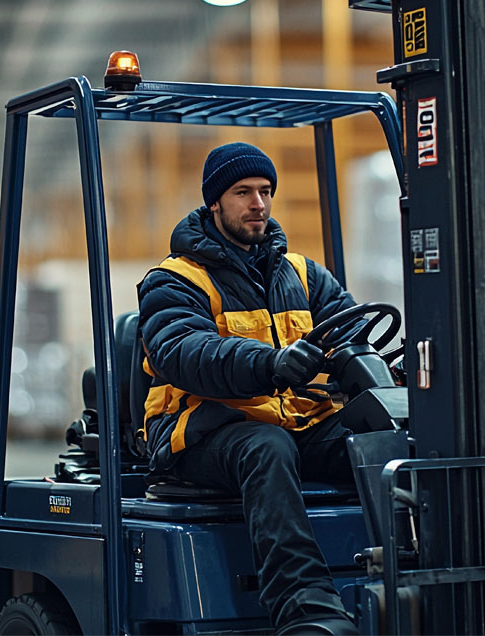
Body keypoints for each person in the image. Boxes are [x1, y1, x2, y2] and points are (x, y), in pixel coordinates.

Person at [137, 142, 362, 634]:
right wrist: (273, 363)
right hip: (201, 432)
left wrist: (379, 365)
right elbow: (186, 353)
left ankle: (418, 570)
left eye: (264, 191)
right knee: (266, 447)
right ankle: (305, 609)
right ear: (214, 202)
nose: (257, 202)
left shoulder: (302, 274)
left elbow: (352, 332)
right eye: (242, 192)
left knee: (375, 440)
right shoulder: (175, 280)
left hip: (297, 420)